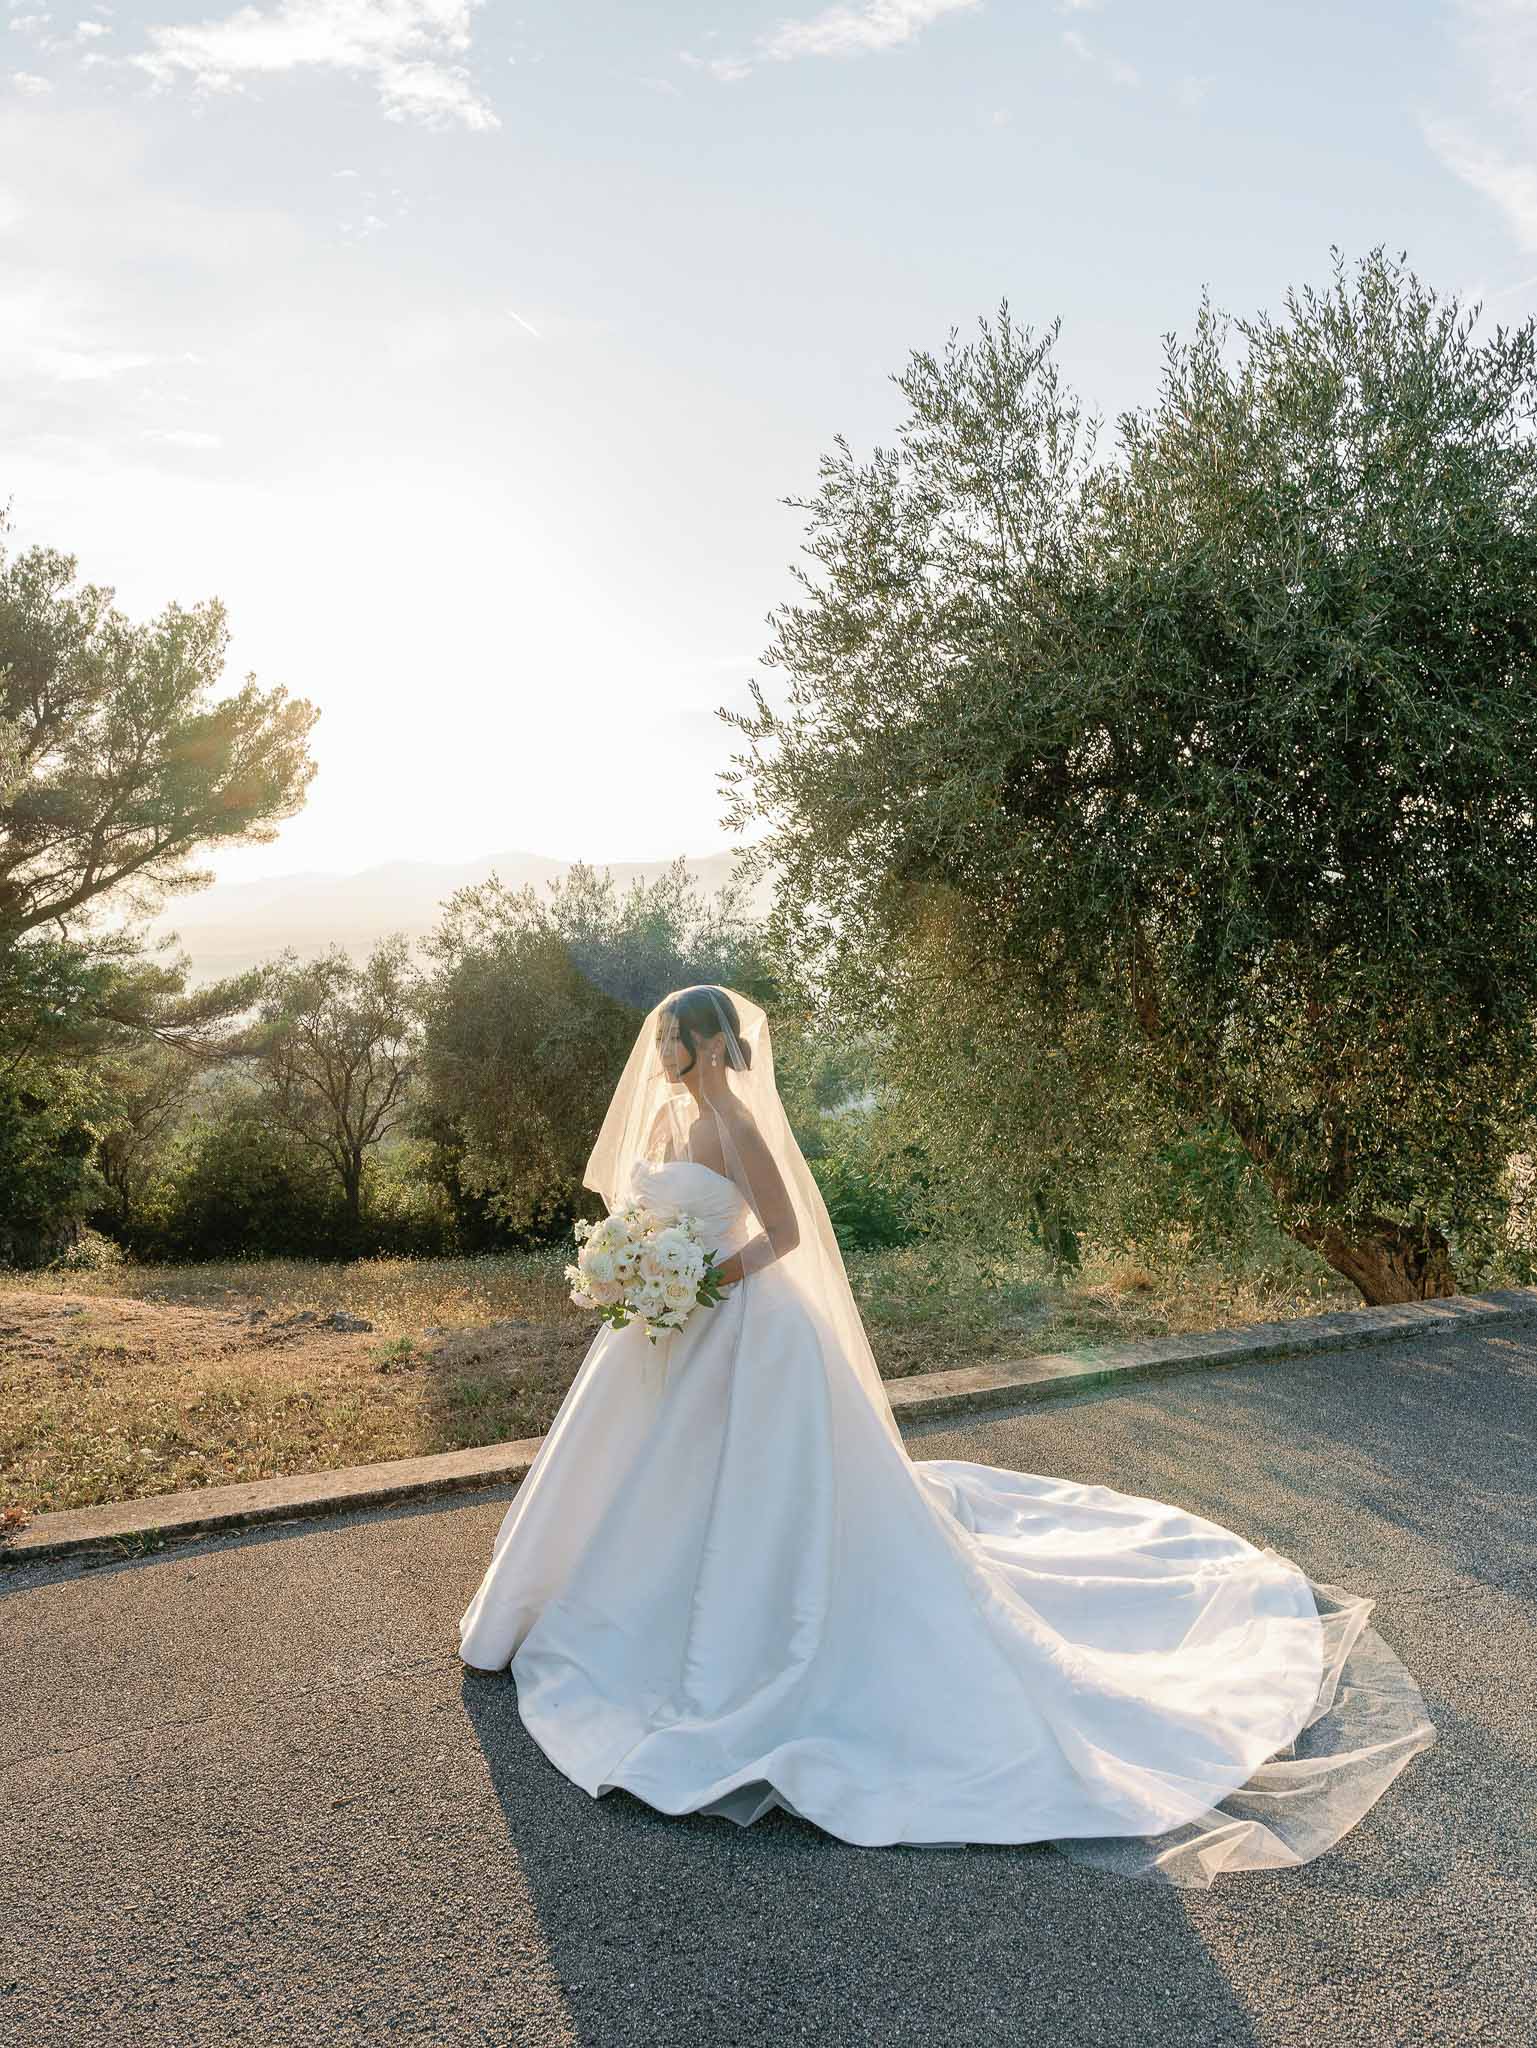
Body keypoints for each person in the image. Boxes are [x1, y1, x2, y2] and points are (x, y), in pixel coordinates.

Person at [458, 985, 1434, 1884]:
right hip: (668, 1333)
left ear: (709, 1042)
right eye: (661, 1036)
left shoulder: (735, 1119)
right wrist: (636, 1267)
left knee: (759, 1493)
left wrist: (704, 1279)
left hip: (744, 1327)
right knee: (651, 1482)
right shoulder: (671, 1115)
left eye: (673, 1035)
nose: (660, 1048)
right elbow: (642, 1208)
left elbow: (785, 1234)